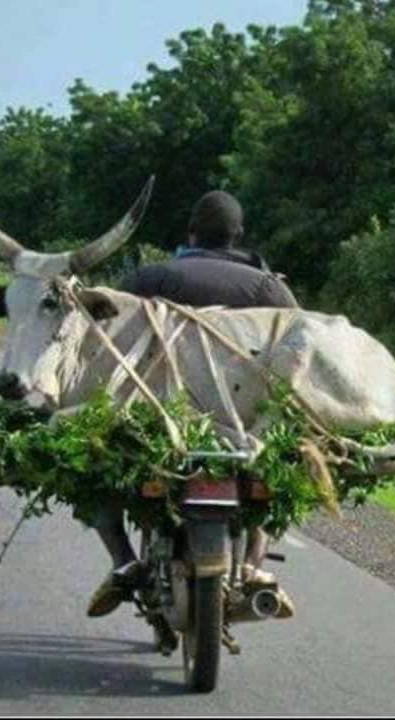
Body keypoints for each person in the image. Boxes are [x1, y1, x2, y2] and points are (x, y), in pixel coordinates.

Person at [86, 190, 298, 618]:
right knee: (286, 473)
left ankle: (124, 561)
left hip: (161, 417)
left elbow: (103, 336)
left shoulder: (153, 277)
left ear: (191, 233)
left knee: (92, 464)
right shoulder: (267, 286)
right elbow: (299, 344)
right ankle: (255, 565)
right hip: (244, 423)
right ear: (237, 236)